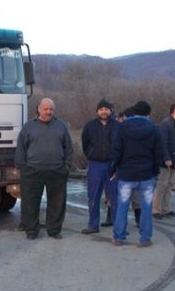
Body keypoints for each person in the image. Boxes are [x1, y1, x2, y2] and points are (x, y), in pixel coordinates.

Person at [111, 101, 167, 247]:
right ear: (148, 114)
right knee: (146, 207)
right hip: (146, 174)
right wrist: (155, 170)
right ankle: (145, 238)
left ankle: (118, 237)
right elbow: (158, 153)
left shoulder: (122, 127)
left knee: (122, 206)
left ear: (134, 111)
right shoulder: (154, 129)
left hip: (126, 174)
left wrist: (113, 168)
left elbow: (116, 150)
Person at [15, 98, 73, 240]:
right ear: (39, 109)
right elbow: (21, 148)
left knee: (57, 203)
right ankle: (31, 231)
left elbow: (69, 147)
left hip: (57, 171)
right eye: (46, 109)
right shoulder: (29, 126)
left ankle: (54, 230)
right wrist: (22, 167)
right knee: (30, 202)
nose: (48, 112)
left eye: (51, 109)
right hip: (32, 171)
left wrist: (67, 166)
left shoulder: (61, 126)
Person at [81, 99, 119, 234]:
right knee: (93, 196)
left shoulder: (117, 126)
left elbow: (122, 145)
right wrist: (91, 154)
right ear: (97, 111)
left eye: (106, 109)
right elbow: (85, 143)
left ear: (110, 111)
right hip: (95, 165)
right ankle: (93, 225)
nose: (104, 111)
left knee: (115, 197)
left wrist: (117, 160)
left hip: (112, 165)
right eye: (101, 109)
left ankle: (118, 227)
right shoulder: (90, 126)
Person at [153, 103, 175, 219]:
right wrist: (166, 158)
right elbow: (162, 142)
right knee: (162, 184)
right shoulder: (166, 124)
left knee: (169, 185)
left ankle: (166, 209)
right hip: (166, 162)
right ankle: (155, 209)